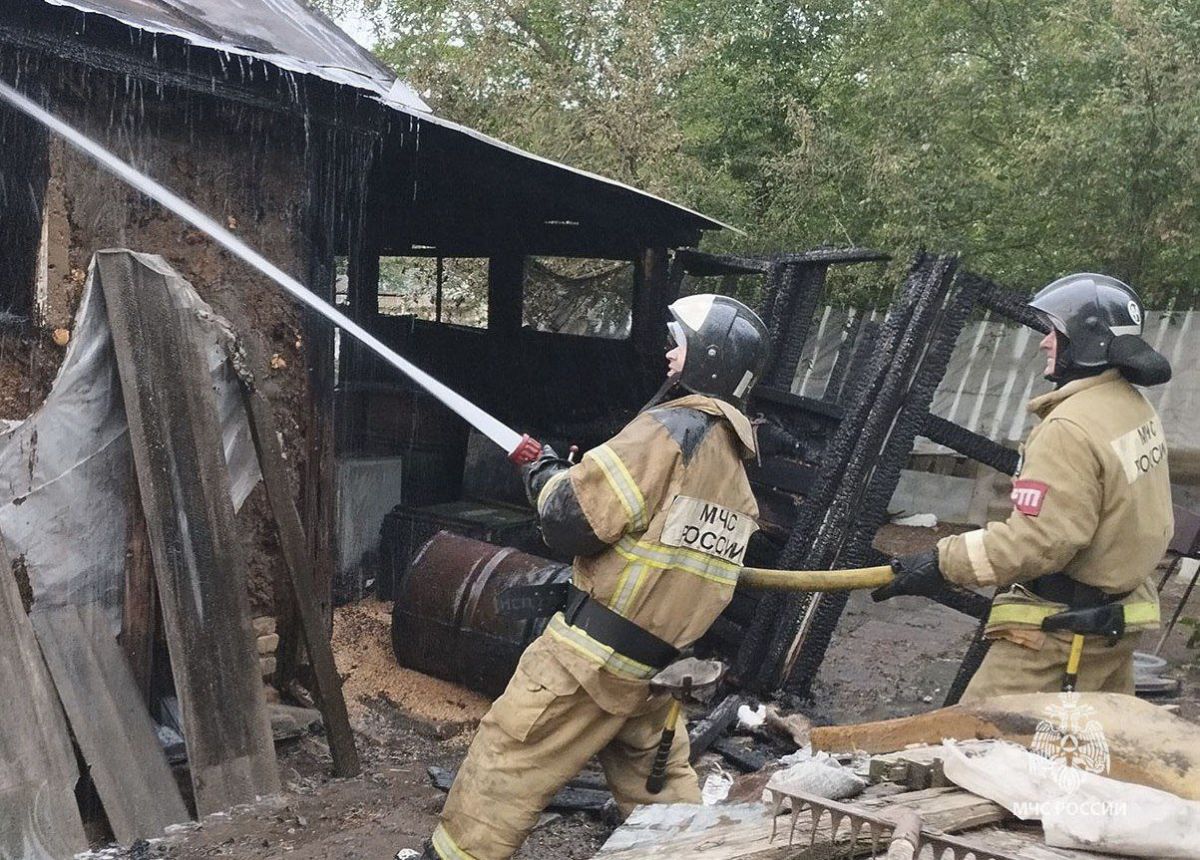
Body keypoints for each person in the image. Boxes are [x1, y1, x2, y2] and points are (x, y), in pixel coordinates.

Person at [423, 294, 770, 860]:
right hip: (658, 671)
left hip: (590, 659)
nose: (668, 352)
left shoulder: (670, 430)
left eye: (678, 342)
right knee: (661, 791)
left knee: (508, 756)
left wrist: (546, 474)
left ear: (710, 357)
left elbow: (571, 521)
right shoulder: (733, 467)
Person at [874, 273, 1173, 701]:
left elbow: (1038, 541)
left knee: (973, 746)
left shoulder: (1070, 427)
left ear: (1089, 340)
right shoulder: (1132, 408)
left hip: (1059, 637)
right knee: (1081, 753)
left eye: (1055, 332)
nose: (1044, 342)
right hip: (1115, 622)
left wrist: (942, 561)